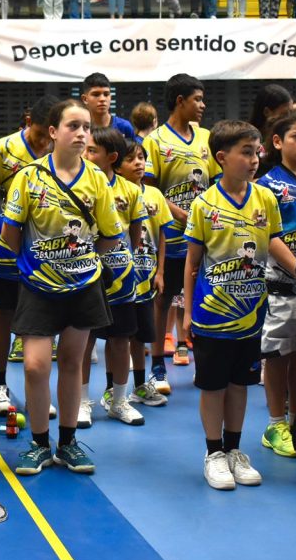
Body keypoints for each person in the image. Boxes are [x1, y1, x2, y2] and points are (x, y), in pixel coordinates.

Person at [1, 100, 118, 474]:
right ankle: (38, 443)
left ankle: (67, 443)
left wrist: (80, 262)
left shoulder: (97, 179)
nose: (82, 133)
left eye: (86, 127)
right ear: (53, 132)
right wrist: (40, 264)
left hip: (83, 286)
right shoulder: (29, 177)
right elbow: (9, 233)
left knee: (71, 361)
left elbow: (111, 237)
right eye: (73, 126)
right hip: (38, 286)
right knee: (35, 366)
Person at [184, 120, 280, 490]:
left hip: (252, 314)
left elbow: (273, 245)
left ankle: (234, 450)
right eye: (246, 152)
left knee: (240, 384)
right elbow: (192, 264)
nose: (255, 159)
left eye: (257, 152)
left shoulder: (265, 199)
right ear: (221, 157)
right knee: (213, 386)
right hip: (212, 316)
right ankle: (213, 454)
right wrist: (188, 315)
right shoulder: (203, 204)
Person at [254, 111, 296, 459]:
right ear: (278, 142)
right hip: (284, 285)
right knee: (278, 354)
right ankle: (275, 422)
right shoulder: (267, 185)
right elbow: (269, 236)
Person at [143, 74, 214, 386]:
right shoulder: (154, 141)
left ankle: (205, 358)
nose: (203, 105)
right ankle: (158, 365)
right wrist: (185, 215)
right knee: (164, 299)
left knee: (206, 298)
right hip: (171, 237)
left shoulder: (208, 139)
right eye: (197, 99)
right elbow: (149, 191)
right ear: (180, 101)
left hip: (208, 237)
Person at [0, 96, 54, 412]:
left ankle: (38, 393)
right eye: (38, 133)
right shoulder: (3, 148)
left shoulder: (60, 150)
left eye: (47, 135)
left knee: (41, 320)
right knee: (5, 314)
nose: (42, 141)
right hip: (4, 250)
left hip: (44, 249)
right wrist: (6, 228)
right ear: (29, 122)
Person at [85, 127, 148, 426]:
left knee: (120, 339)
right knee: (84, 339)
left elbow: (135, 235)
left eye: (91, 151)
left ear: (110, 158)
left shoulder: (131, 190)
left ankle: (119, 400)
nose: (86, 154)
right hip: (85, 273)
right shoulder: (79, 186)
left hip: (121, 275)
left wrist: (123, 261)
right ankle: (82, 400)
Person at [115, 139, 172, 423]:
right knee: (121, 336)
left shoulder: (155, 195)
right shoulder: (113, 194)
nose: (139, 163)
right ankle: (116, 391)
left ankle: (140, 384)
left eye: (142, 158)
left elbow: (162, 235)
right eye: (131, 159)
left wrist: (160, 271)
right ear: (118, 165)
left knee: (141, 336)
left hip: (147, 275)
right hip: (122, 277)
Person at [81, 72, 136, 140]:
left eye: (106, 94)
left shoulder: (124, 127)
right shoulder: (80, 129)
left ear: (110, 97)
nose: (102, 99)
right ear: (85, 99)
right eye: (96, 94)